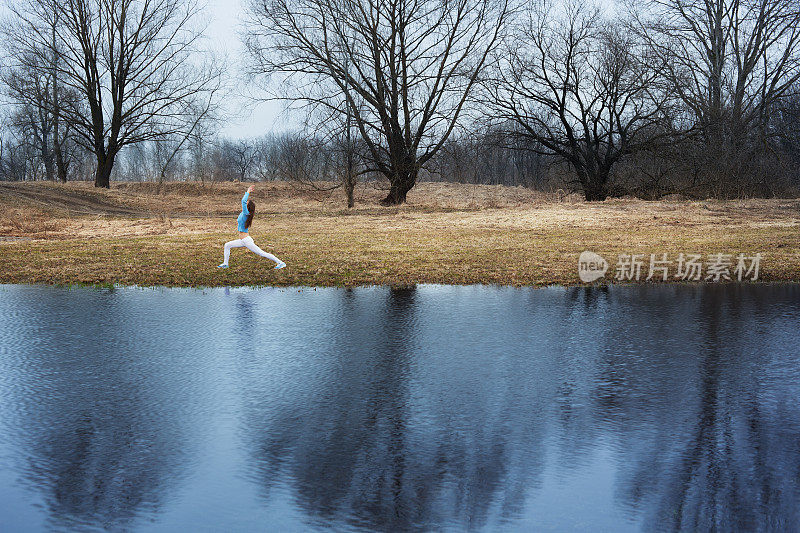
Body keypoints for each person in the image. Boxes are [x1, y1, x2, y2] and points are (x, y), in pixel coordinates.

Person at [218, 185, 286, 269]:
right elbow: (243, 203)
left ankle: (281, 262)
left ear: (247, 207)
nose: (245, 202)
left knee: (262, 253)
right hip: (242, 240)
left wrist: (248, 191)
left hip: (247, 241)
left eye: (246, 203)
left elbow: (243, 201)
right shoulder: (243, 213)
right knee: (227, 245)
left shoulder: (246, 214)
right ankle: (225, 264)